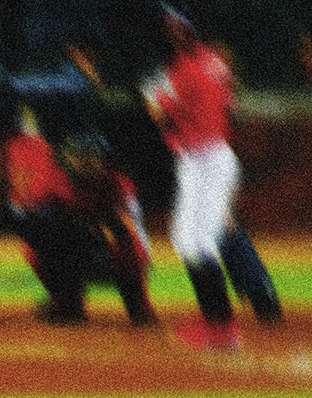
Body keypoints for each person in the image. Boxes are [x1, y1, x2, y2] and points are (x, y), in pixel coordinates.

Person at [140, 4, 242, 350]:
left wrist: (151, 90)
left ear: (188, 30)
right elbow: (230, 107)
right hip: (207, 158)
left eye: (176, 27)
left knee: (197, 244)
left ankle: (222, 327)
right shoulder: (215, 61)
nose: (171, 32)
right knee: (188, 241)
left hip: (205, 161)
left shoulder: (184, 69)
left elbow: (158, 114)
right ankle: (213, 320)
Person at [17, 131, 157, 327]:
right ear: (67, 159)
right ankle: (68, 302)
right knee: (34, 248)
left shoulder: (118, 184)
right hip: (73, 250)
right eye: (79, 157)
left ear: (103, 160)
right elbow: (35, 227)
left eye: (92, 157)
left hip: (108, 250)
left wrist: (140, 256)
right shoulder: (49, 181)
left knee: (130, 246)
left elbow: (132, 228)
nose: (85, 163)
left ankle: (137, 304)